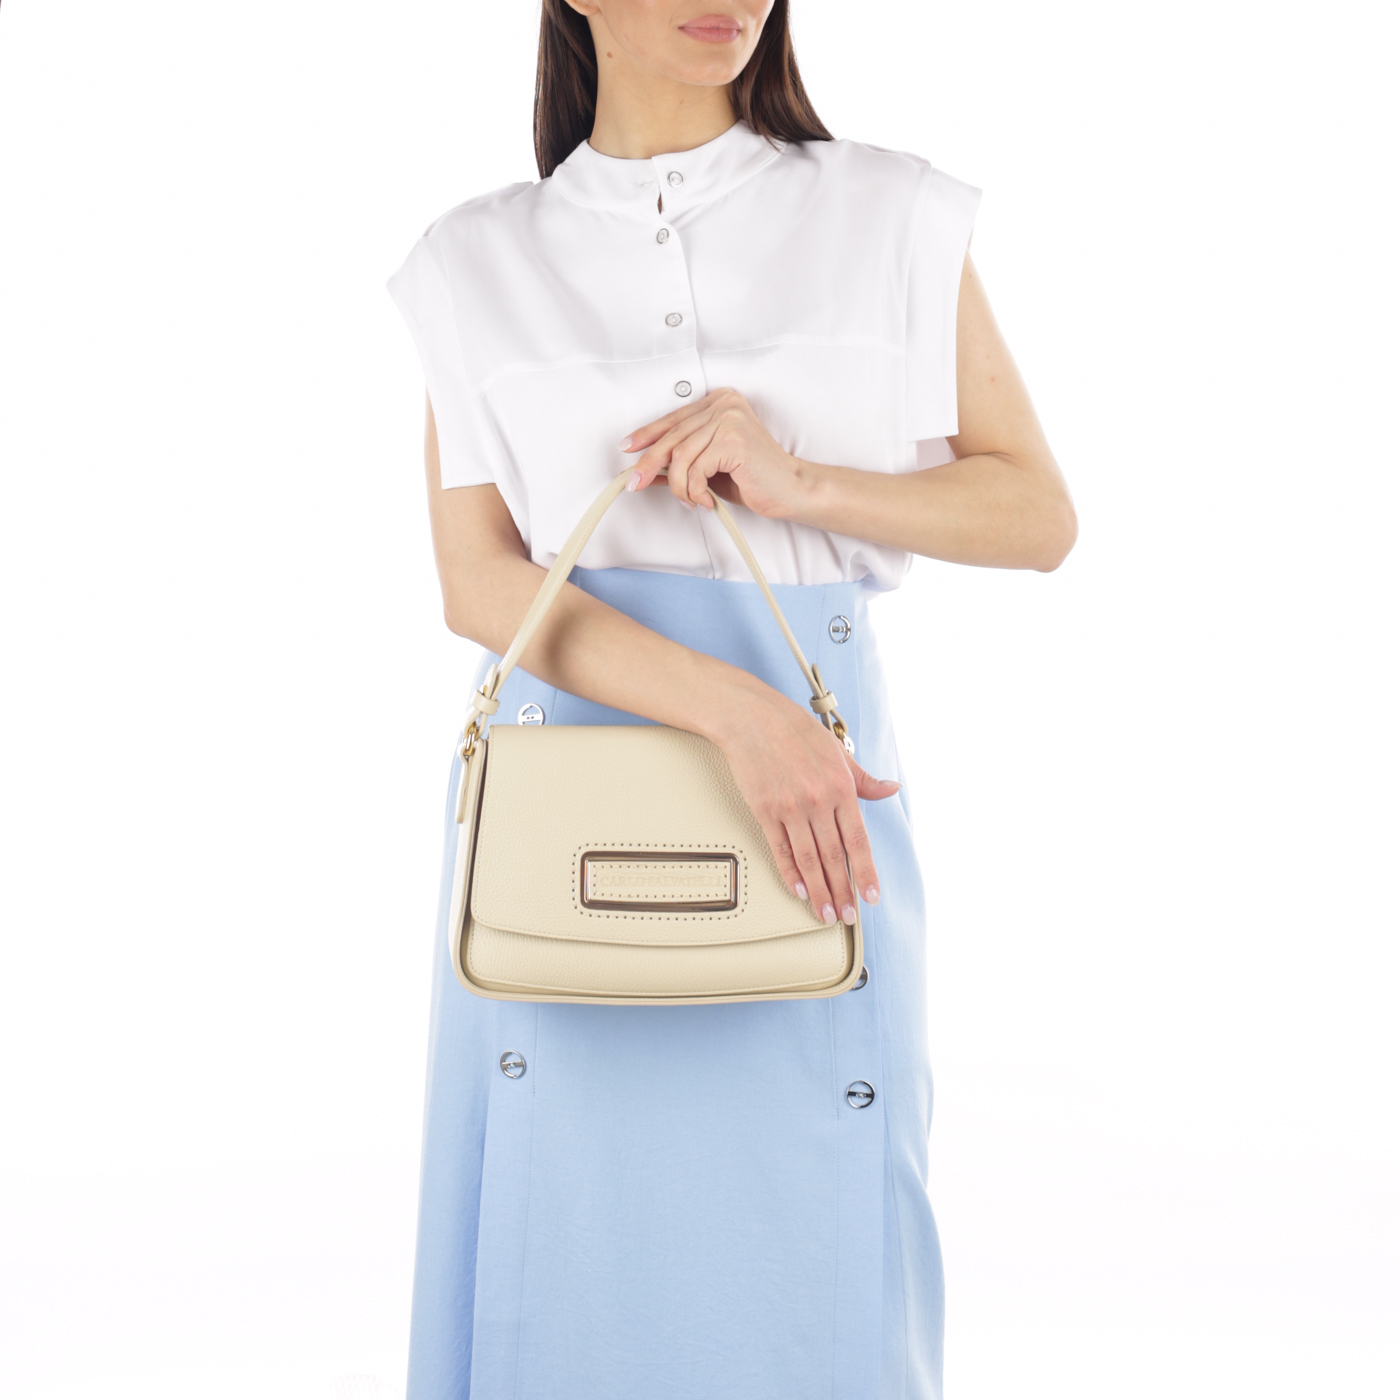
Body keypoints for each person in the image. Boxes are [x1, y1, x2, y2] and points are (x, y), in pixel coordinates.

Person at [387, 3, 1076, 1396]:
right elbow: (478, 581)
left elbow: (1036, 515)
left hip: (815, 819)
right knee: (558, 1229)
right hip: (571, 806)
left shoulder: (893, 215)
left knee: (819, 1222)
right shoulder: (471, 262)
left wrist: (798, 481)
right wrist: (734, 712)